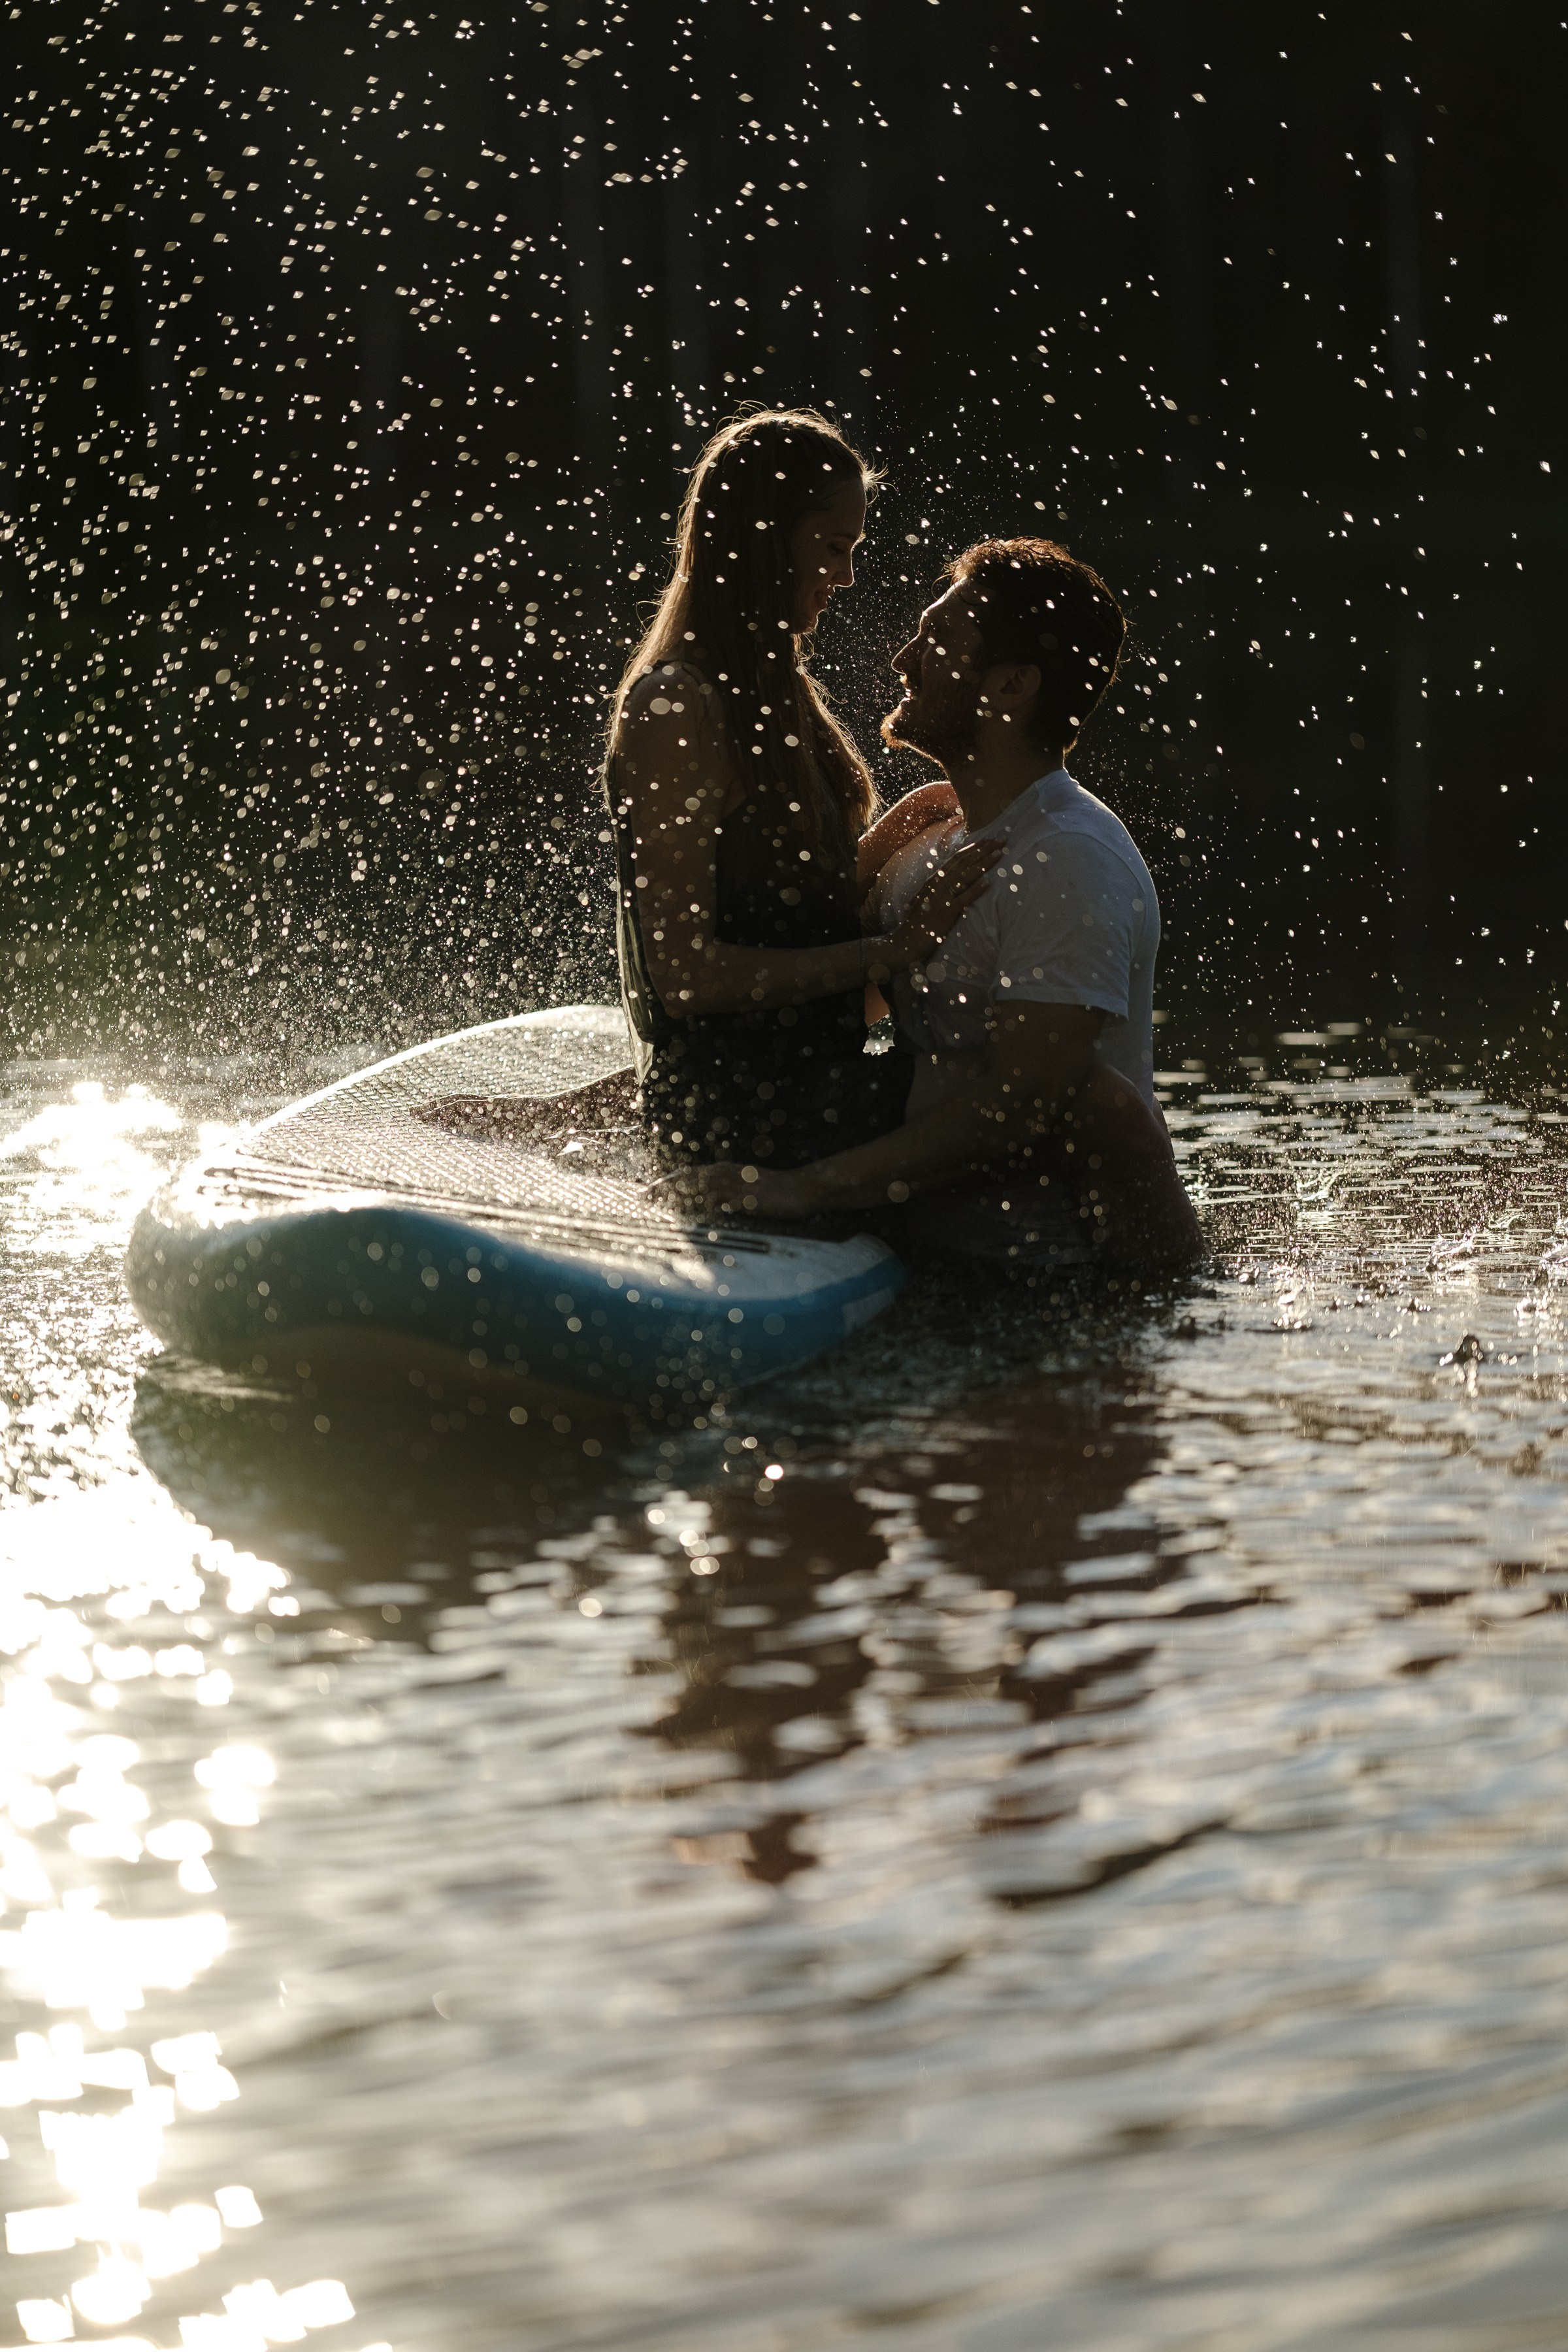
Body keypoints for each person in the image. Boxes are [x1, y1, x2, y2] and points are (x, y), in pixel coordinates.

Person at [420, 406, 995, 1158]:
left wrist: (883, 844)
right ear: (763, 541)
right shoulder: (676, 705)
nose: (846, 577)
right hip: (739, 1122)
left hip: (812, 1079)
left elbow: (776, 908)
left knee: (1043, 1080)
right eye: (831, 546)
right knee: (1042, 1097)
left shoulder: (778, 687)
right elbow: (688, 978)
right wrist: (894, 950)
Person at [671, 535, 1202, 1275]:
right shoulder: (937, 838)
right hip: (911, 1259)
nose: (904, 660)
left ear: (1013, 686)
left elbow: (1024, 1110)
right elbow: (827, 1020)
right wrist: (857, 880)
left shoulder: (1071, 860)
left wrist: (797, 1190)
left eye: (938, 639)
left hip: (1043, 1292)